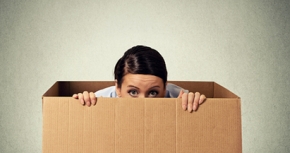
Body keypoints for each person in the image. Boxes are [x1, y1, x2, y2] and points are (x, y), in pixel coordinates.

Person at [73, 45, 206, 112]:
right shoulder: (99, 100)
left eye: (153, 93)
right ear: (118, 88)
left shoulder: (180, 98)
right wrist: (83, 105)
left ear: (165, 88)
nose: (144, 103)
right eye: (133, 92)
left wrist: (196, 107)